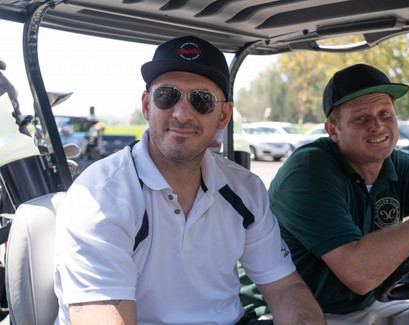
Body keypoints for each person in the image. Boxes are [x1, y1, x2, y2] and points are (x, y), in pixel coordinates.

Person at [53, 36, 325, 325]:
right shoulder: (100, 197)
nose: (182, 115)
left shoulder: (246, 190)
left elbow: (285, 288)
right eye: (167, 96)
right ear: (147, 106)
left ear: (223, 116)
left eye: (202, 100)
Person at [263, 64, 409, 324]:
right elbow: (360, 274)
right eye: (360, 118)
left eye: (385, 113)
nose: (377, 125)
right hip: (295, 313)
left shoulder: (398, 163)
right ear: (333, 131)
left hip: (368, 307)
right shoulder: (309, 171)